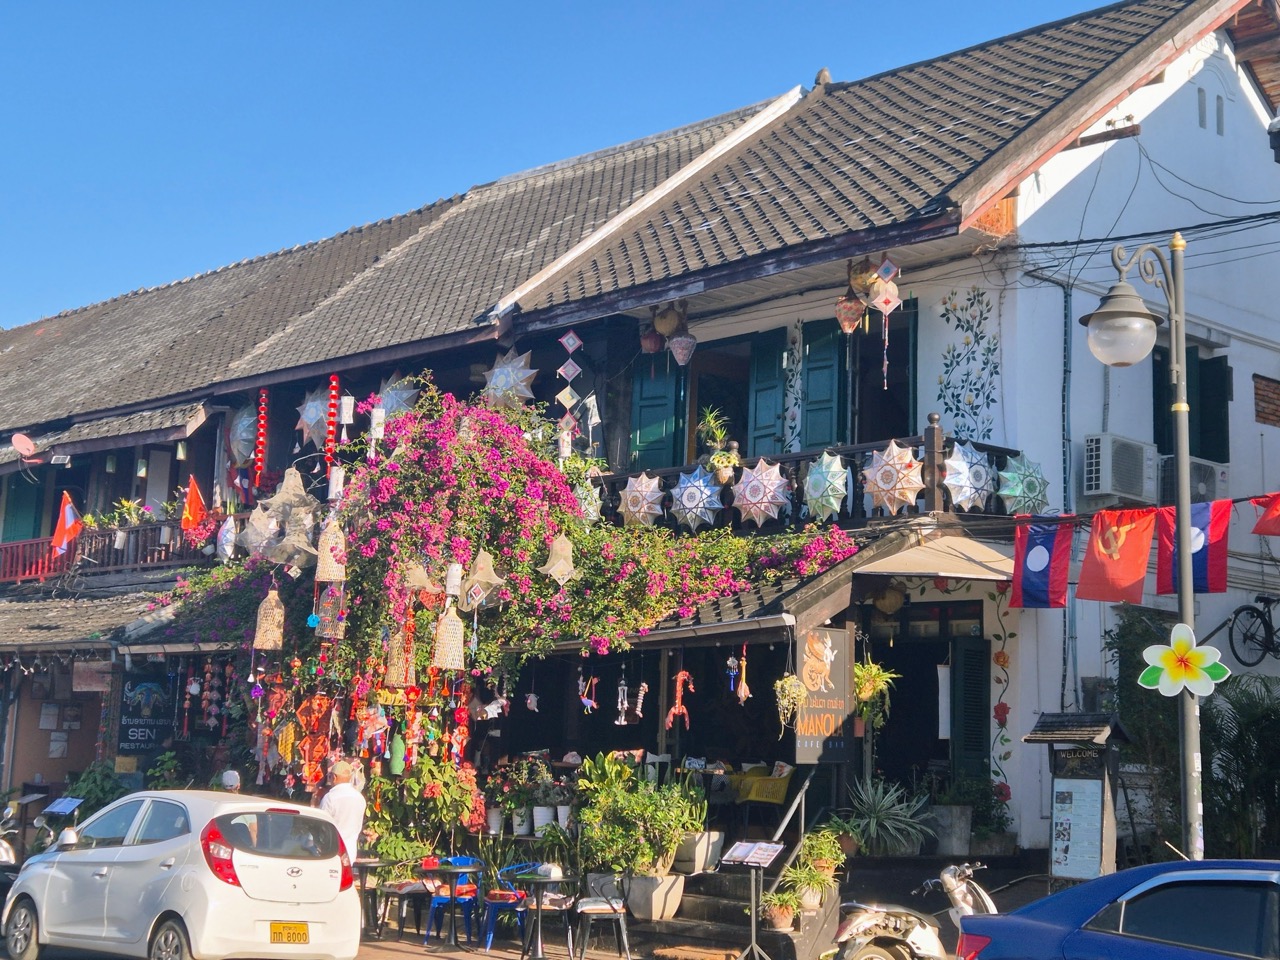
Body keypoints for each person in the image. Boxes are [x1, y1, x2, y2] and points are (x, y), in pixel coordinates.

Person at [320, 759, 367, 858]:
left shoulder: (330, 798)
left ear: (334, 777)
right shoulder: (359, 797)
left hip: (332, 851)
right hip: (350, 851)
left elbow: (321, 824)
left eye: (329, 776)